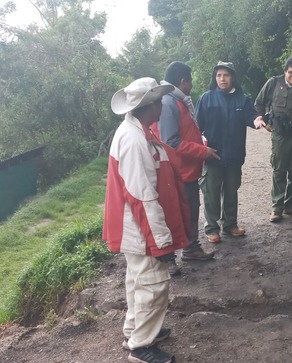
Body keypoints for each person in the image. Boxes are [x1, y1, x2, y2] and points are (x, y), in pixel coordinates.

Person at [103, 77, 186, 363]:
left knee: (138, 280)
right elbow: (143, 196)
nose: (163, 105)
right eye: (160, 101)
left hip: (133, 226)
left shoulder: (135, 131)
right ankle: (141, 347)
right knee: (153, 283)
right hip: (139, 228)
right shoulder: (135, 139)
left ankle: (135, 331)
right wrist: (161, 241)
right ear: (150, 106)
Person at [152, 61, 219, 275]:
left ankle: (191, 247)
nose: (191, 86)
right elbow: (171, 141)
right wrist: (202, 151)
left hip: (186, 171)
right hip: (175, 172)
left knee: (190, 209)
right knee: (173, 213)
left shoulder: (177, 101)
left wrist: (201, 143)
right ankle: (168, 258)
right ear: (183, 81)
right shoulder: (169, 103)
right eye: (190, 82)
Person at [196, 61, 266, 243]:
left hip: (234, 156)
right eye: (219, 75)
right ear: (215, 78)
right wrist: (200, 147)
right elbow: (197, 127)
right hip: (212, 156)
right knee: (211, 193)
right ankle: (212, 228)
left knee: (231, 190)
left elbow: (251, 116)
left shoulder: (242, 99)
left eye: (226, 75)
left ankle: (230, 225)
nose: (222, 79)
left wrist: (257, 120)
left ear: (233, 77)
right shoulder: (206, 98)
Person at [254, 56, 292, 223]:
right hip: (279, 136)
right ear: (285, 71)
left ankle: (290, 204)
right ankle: (277, 207)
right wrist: (263, 121)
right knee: (279, 170)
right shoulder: (274, 83)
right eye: (291, 73)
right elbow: (259, 103)